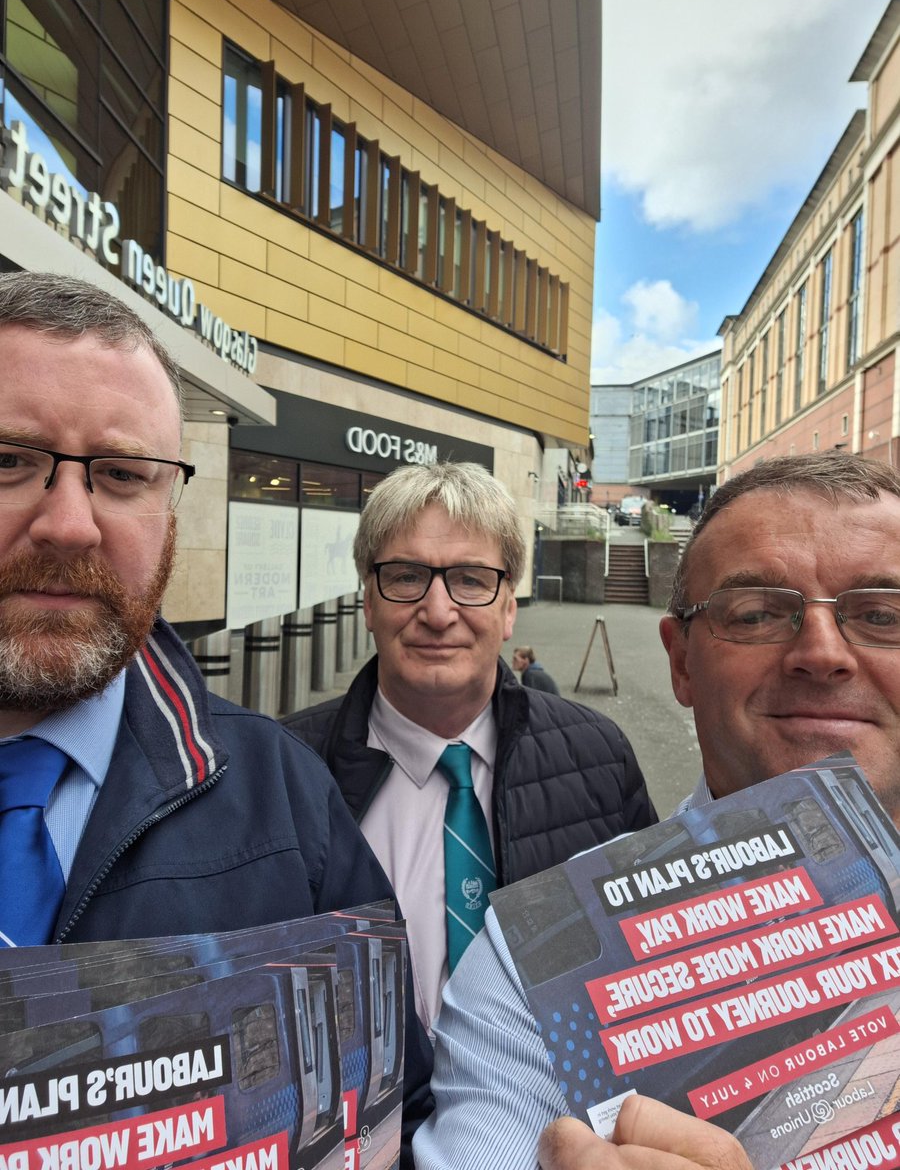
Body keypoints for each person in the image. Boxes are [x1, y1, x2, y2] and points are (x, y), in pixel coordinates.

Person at [0, 270, 430, 1164]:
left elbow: (397, 1109)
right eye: (8, 461)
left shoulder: (284, 795)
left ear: (170, 511)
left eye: (122, 475)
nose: (70, 523)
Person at [414, 450, 900, 1170]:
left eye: (883, 614)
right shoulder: (533, 964)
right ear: (680, 663)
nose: (821, 653)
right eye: (757, 613)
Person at [283, 462, 656, 1033]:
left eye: (472, 580)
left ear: (509, 608)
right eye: (406, 577)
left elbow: (644, 968)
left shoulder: (599, 760)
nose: (437, 613)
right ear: (367, 603)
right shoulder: (282, 771)